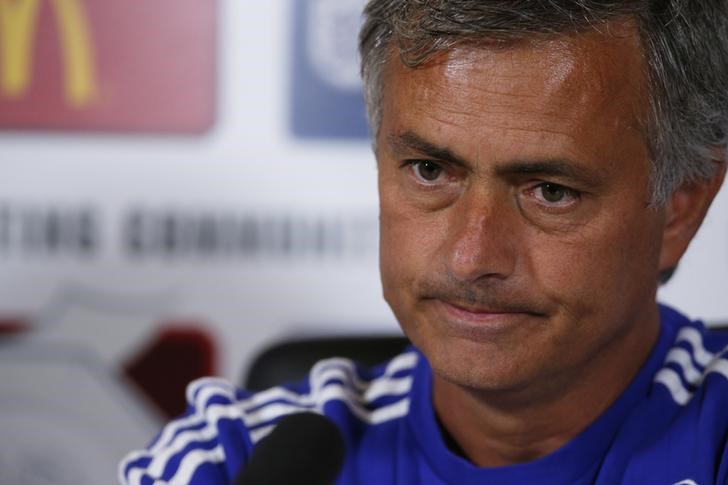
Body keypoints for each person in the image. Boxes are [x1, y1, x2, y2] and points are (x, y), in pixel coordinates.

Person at [119, 1, 728, 483]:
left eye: (549, 191)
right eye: (431, 172)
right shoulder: (234, 460)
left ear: (682, 206)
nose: (471, 256)